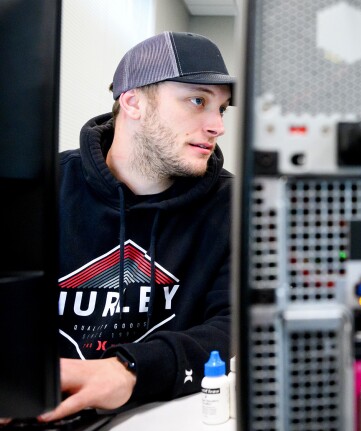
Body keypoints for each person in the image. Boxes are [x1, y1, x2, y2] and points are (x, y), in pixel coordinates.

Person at [43, 32, 235, 421]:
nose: (217, 126)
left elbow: (235, 327)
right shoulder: (42, 189)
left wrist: (130, 370)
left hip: (168, 416)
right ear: (132, 102)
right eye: (197, 101)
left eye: (222, 109)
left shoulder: (231, 206)